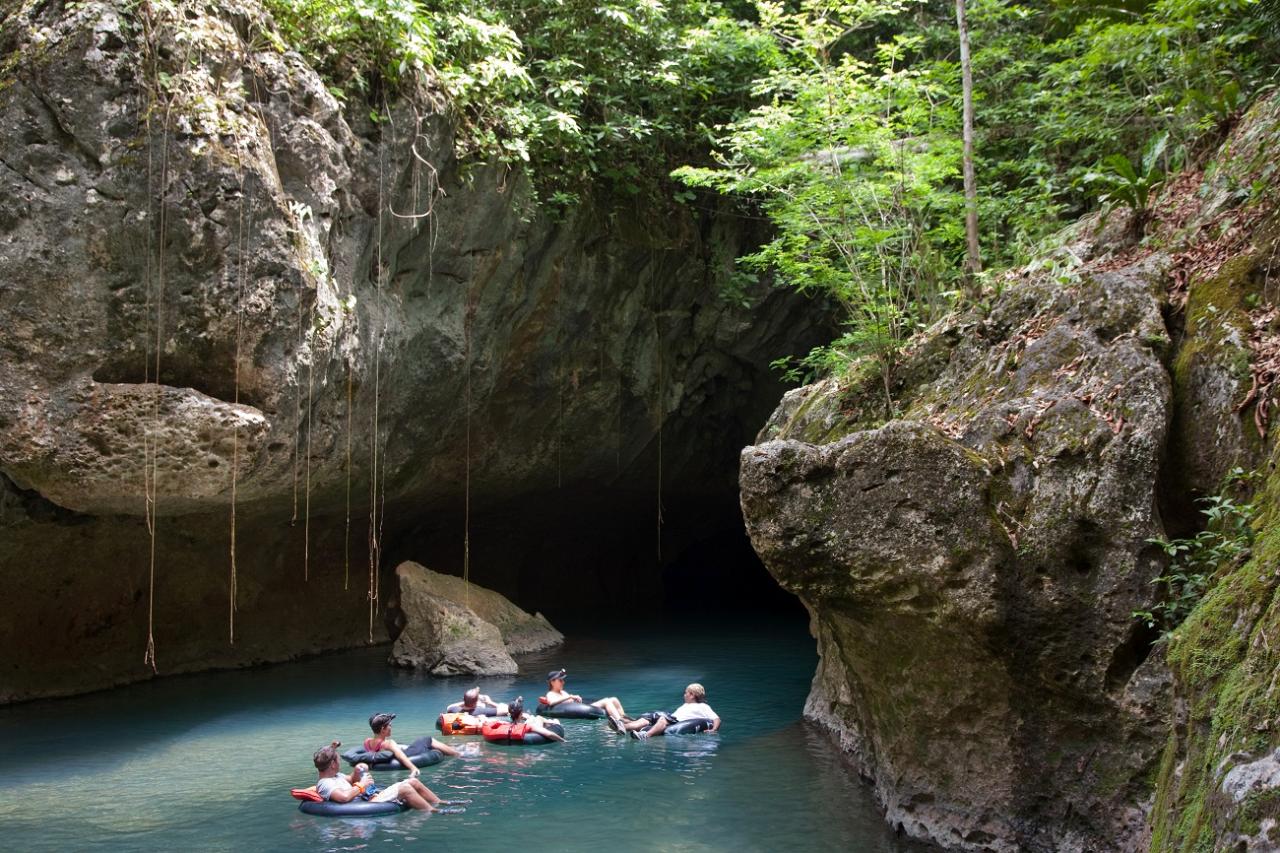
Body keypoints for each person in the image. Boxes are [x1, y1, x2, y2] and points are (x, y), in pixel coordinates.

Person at [312, 741, 444, 811]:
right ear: (332, 765)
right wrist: (362, 785)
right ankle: (434, 812)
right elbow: (343, 797)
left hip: (368, 798)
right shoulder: (325, 783)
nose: (339, 762)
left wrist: (357, 772)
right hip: (366, 804)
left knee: (413, 782)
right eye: (338, 760)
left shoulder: (336, 775)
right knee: (405, 789)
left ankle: (441, 803)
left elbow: (351, 780)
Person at [624, 683, 720, 739]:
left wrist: (714, 729)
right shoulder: (685, 705)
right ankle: (624, 727)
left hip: (677, 721)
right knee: (647, 719)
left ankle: (645, 736)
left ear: (692, 695)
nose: (684, 695)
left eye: (686, 693)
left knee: (662, 719)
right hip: (673, 719)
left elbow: (716, 719)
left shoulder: (703, 706)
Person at [365, 712, 462, 767]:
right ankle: (457, 754)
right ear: (382, 729)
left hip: (388, 758)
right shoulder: (388, 743)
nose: (391, 726)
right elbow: (401, 756)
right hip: (410, 755)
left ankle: (451, 749)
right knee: (427, 739)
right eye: (389, 725)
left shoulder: (367, 742)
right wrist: (413, 768)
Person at [542, 669, 628, 725]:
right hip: (582, 710)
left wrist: (574, 698)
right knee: (606, 701)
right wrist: (569, 697)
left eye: (563, 680)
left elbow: (571, 701)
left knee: (614, 699)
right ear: (552, 682)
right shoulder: (550, 694)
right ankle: (619, 722)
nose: (563, 682)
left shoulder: (563, 692)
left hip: (581, 707)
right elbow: (551, 702)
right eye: (560, 680)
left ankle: (624, 717)